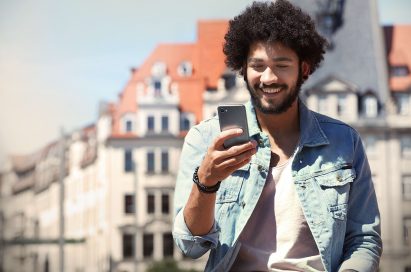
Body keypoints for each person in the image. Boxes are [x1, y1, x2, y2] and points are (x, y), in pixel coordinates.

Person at [172, 0, 382, 271]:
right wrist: (206, 182)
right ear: (243, 70)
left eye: (282, 65)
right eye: (257, 66)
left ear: (304, 69)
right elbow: (190, 245)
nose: (268, 77)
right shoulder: (205, 138)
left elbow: (364, 239)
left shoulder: (344, 142)